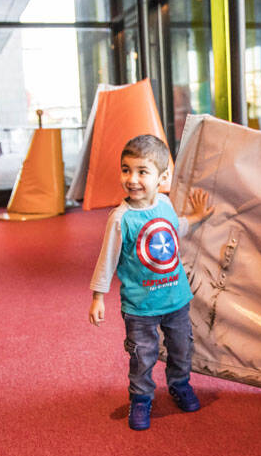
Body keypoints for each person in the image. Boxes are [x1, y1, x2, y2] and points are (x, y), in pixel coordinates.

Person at [88, 134, 214, 431]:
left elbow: (172, 230)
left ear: (162, 176)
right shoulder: (121, 219)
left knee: (181, 347)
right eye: (126, 169)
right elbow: (107, 259)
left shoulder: (166, 203)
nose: (132, 179)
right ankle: (142, 398)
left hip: (175, 299)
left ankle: (180, 384)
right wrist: (98, 297)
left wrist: (194, 218)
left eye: (142, 171)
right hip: (140, 306)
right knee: (142, 356)